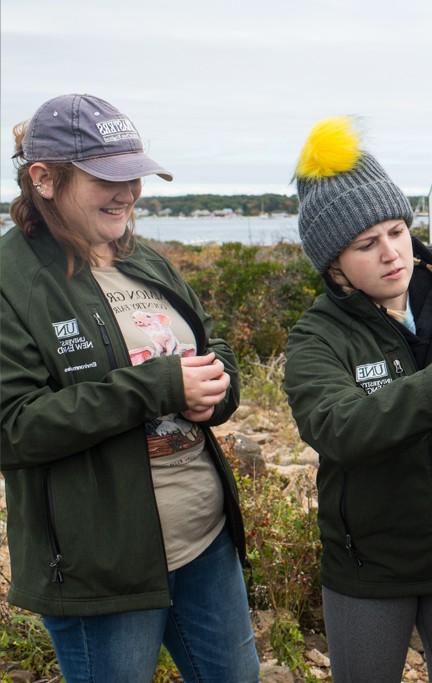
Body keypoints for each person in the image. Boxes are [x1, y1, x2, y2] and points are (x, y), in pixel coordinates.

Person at [0, 94, 258, 682]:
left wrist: (218, 387)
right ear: (43, 178)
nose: (129, 193)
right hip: (101, 565)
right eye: (107, 178)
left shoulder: (141, 258)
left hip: (205, 541)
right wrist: (157, 387)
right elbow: (11, 427)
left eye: (135, 176)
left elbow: (211, 343)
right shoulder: (11, 278)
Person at [283, 117, 432, 683]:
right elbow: (337, 426)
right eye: (367, 243)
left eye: (396, 231)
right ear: (333, 264)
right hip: (370, 571)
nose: (392, 253)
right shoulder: (317, 338)